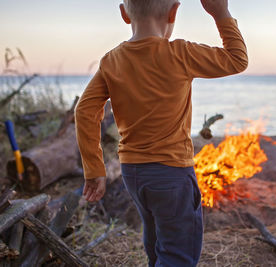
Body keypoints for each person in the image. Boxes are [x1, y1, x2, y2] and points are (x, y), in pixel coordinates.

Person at [74, 0, 247, 266]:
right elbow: (237, 59)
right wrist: (221, 13)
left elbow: (84, 111)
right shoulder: (180, 53)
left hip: (132, 171)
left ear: (124, 13)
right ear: (174, 11)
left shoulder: (111, 60)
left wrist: (94, 168)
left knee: (156, 237)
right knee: (178, 252)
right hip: (172, 173)